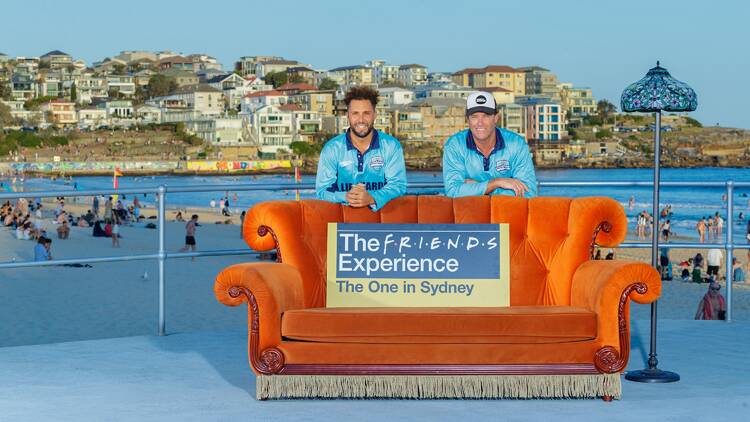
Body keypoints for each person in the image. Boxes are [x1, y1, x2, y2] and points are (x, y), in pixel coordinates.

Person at [315, 86, 407, 210]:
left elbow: (398, 186)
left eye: (366, 113)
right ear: (347, 115)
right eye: (355, 113)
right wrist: (346, 196)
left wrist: (371, 197)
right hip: (342, 224)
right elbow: (322, 191)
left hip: (383, 222)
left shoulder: (391, 146)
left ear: (375, 115)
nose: (361, 120)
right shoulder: (332, 149)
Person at [443, 91, 537, 198]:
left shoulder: (517, 144)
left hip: (505, 213)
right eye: (474, 116)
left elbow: (529, 193)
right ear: (467, 119)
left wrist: (481, 189)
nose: (480, 122)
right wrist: (496, 183)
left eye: (486, 116)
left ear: (496, 118)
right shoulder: (454, 145)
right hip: (470, 213)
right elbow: (453, 191)